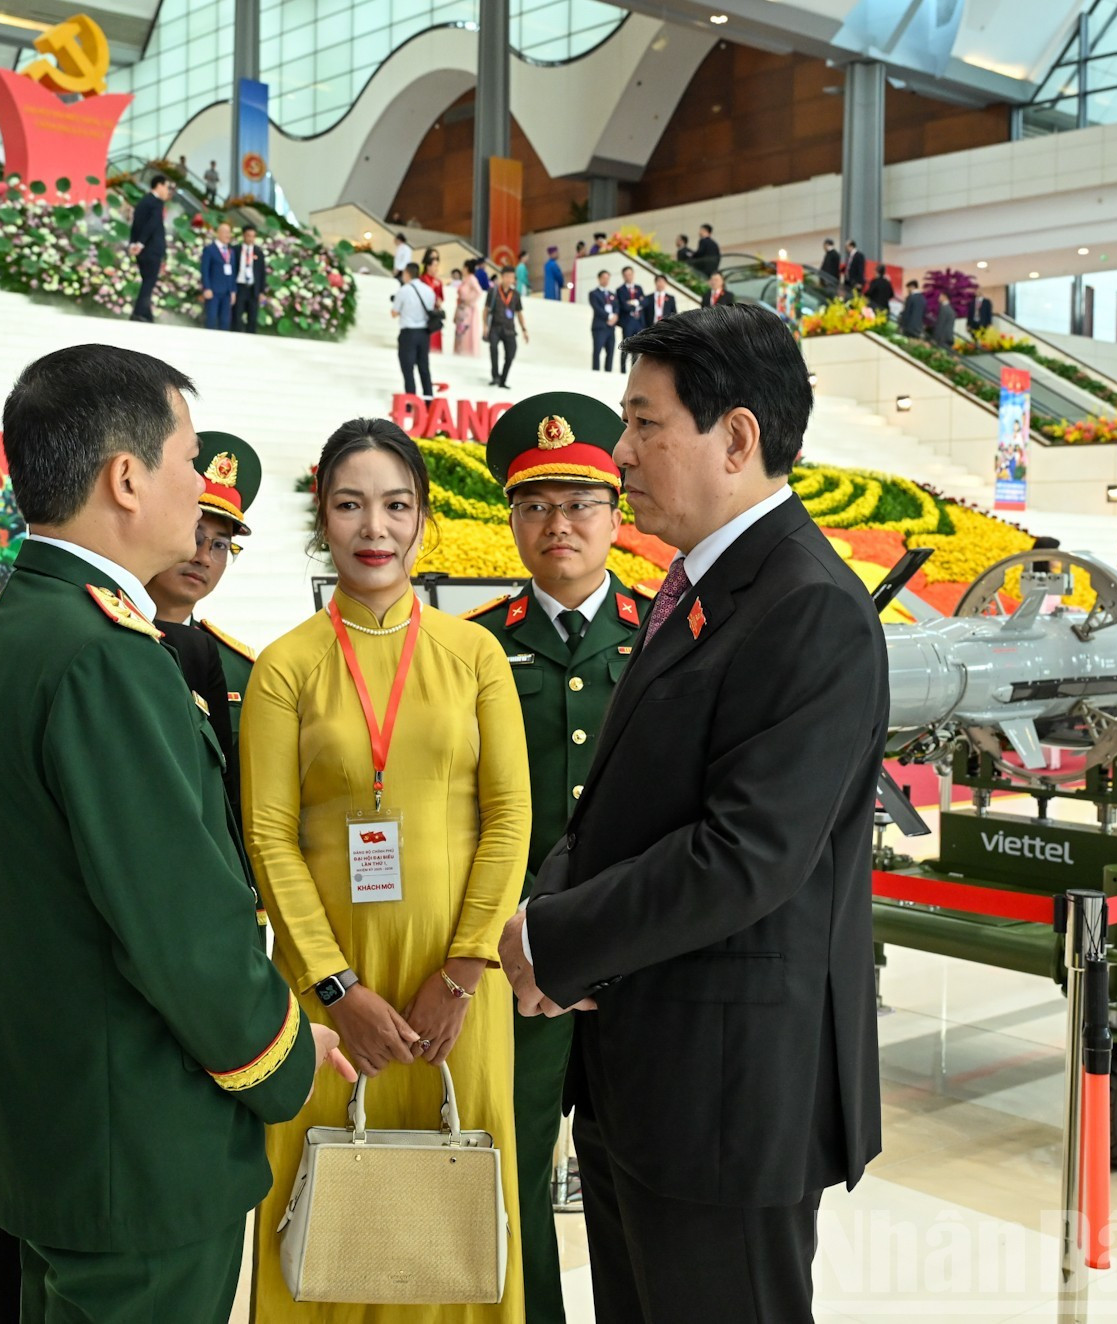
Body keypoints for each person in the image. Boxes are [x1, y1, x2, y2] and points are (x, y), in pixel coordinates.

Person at [502, 303, 888, 1323]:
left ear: (739, 437)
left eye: (644, 423)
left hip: (728, 1100)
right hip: (647, 1080)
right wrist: (559, 927)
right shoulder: (700, 587)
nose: (621, 452)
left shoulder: (807, 605)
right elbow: (617, 804)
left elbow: (744, 855)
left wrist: (556, 938)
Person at [0, 344, 350, 1322]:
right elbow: (185, 929)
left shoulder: (22, 625)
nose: (199, 487)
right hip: (141, 1139)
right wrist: (288, 1056)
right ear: (125, 477)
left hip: (66, 1124)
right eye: (188, 460)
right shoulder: (106, 658)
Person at [245, 415, 530, 1322]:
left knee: (456, 1212)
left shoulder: (476, 653)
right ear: (322, 519)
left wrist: (463, 968)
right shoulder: (285, 666)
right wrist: (336, 988)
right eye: (351, 505)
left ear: (422, 521)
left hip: (459, 988)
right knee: (322, 1204)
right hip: (330, 993)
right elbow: (269, 833)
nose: (375, 528)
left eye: (396, 506)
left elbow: (508, 817)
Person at [464, 393, 653, 1324]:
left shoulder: (670, 637)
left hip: (635, 959)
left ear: (617, 516)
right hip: (519, 964)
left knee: (642, 1178)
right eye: (536, 505)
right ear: (513, 521)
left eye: (581, 502)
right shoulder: (479, 647)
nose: (560, 525)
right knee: (515, 1173)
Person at [147, 431, 263, 813]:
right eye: (195, 535)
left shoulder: (240, 670)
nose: (203, 557)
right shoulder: (102, 638)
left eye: (220, 545)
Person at [127, 175, 171, 322]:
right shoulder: (156, 203)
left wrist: (133, 243)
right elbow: (151, 225)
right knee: (149, 282)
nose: (167, 191)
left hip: (143, 249)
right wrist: (140, 243)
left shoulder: (143, 201)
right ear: (159, 185)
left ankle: (146, 314)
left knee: (147, 280)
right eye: (166, 187)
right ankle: (138, 313)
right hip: (151, 249)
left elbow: (136, 224)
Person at [391, 263, 435, 402]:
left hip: (408, 333)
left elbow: (394, 312)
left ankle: (411, 402)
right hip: (424, 333)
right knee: (424, 367)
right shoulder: (429, 290)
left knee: (408, 368)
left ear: (407, 274)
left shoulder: (404, 290)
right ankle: (428, 402)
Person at [485, 264, 528, 389]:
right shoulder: (493, 291)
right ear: (502, 277)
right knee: (493, 348)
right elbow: (486, 309)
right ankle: (495, 377)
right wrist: (484, 326)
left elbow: (519, 312)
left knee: (511, 353)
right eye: (507, 276)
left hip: (509, 329)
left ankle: (503, 379)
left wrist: (524, 329)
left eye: (512, 277)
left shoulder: (515, 294)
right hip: (495, 326)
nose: (510, 280)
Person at [199, 219, 236, 330]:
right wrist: (207, 288)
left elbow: (233, 272)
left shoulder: (231, 252)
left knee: (225, 321)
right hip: (213, 291)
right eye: (225, 232)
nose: (228, 235)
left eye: (229, 232)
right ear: (218, 233)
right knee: (211, 319)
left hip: (227, 292)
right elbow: (204, 270)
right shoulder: (210, 249)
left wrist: (233, 291)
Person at [232, 224, 268, 332]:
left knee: (252, 317)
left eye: (253, 236)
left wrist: (261, 291)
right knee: (237, 315)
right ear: (244, 235)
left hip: (253, 288)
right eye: (248, 235)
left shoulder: (258, 252)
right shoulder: (235, 250)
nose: (250, 238)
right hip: (239, 287)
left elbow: (262, 273)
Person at [615, 264, 647, 370]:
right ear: (623, 276)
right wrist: (637, 304)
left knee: (636, 348)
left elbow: (645, 302)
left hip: (638, 322)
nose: (629, 276)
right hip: (628, 322)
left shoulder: (639, 288)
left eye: (630, 274)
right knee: (625, 346)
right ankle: (622, 370)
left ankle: (635, 370)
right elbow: (624, 306)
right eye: (626, 275)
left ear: (633, 274)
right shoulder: (620, 290)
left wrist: (634, 303)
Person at [589, 268, 618, 372]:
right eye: (604, 278)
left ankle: (608, 372)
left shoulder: (612, 294)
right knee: (597, 351)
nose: (606, 280)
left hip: (611, 327)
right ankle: (595, 371)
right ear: (599, 279)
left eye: (607, 278)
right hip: (600, 326)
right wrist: (609, 317)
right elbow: (597, 308)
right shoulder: (594, 293)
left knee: (610, 351)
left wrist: (615, 317)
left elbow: (616, 307)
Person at [454, 261, 483, 358]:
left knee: (465, 332)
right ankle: (460, 351)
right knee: (460, 331)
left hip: (467, 310)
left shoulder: (471, 279)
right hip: (462, 308)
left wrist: (469, 301)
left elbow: (479, 291)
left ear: (466, 268)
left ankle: (466, 352)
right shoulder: (466, 280)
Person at [420, 248, 446, 352]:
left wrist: (439, 301)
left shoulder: (438, 281)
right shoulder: (422, 279)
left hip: (434, 313)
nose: (436, 268)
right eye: (434, 265)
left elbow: (441, 296)